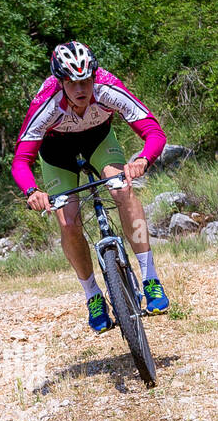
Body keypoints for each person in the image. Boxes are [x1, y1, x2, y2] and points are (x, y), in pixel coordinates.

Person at [11, 40, 170, 333]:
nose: (81, 89)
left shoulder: (108, 87)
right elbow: (21, 160)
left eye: (86, 80)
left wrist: (143, 159)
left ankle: (150, 278)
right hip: (56, 152)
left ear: (94, 76)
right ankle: (92, 295)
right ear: (60, 82)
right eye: (72, 83)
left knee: (122, 187)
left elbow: (153, 130)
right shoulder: (45, 103)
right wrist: (33, 191)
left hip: (98, 140)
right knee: (67, 219)